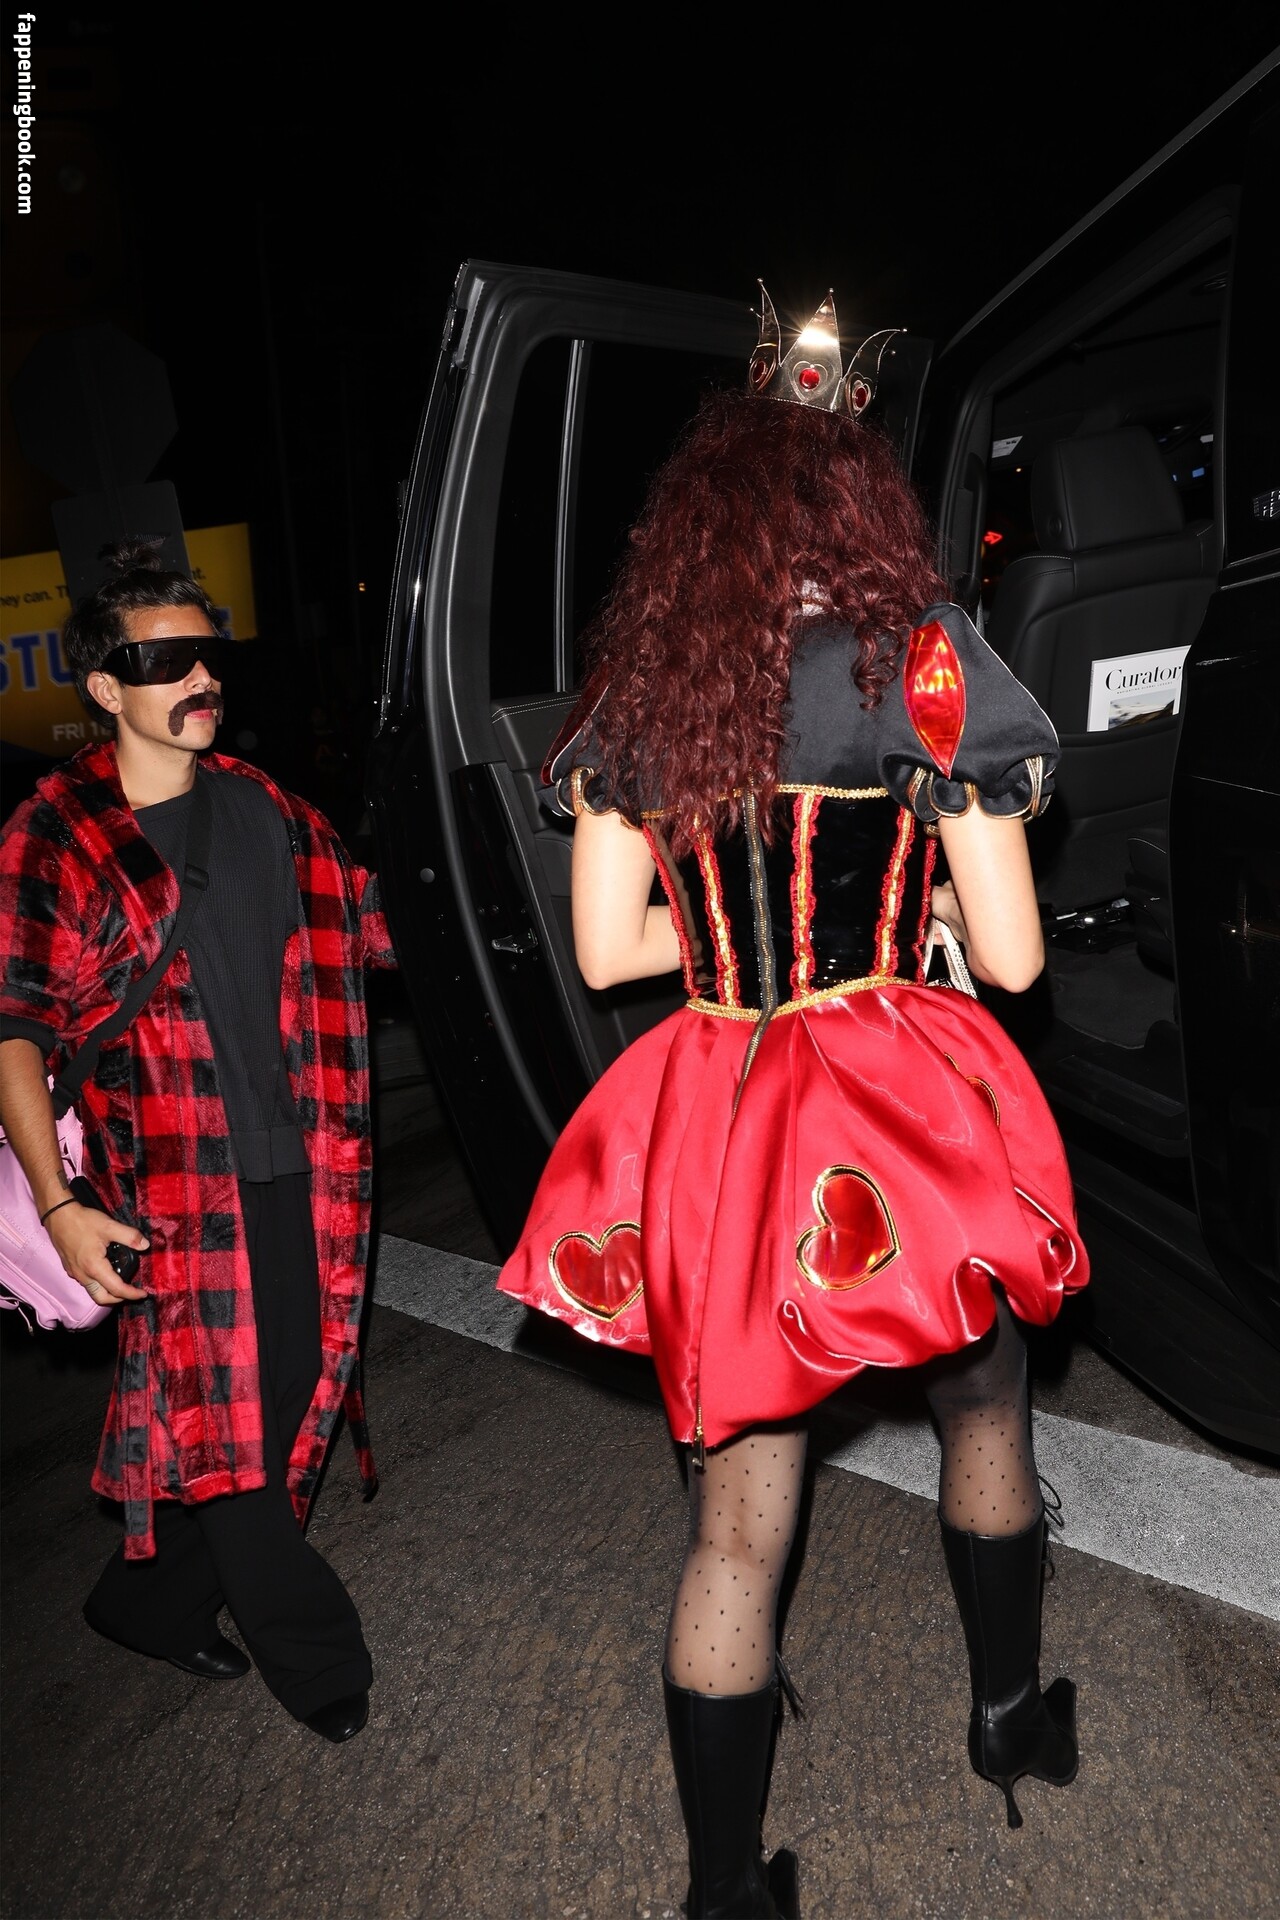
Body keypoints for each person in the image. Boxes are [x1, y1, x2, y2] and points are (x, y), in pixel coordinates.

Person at [496, 289, 1090, 1918]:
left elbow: (611, 949)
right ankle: (1007, 1720)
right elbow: (1016, 960)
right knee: (986, 1406)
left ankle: (721, 1894)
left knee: (738, 1518)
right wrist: (913, 916)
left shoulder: (647, 680)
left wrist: (745, 944)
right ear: (860, 503)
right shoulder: (923, 663)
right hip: (900, 1115)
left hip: (726, 1114)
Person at [0, 538, 396, 1744]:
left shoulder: (267, 807)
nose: (198, 678)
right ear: (102, 686)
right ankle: (315, 1657)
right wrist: (61, 1203)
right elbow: (13, 1030)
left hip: (307, 1161)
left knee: (289, 1392)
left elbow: (371, 926)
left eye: (207, 655)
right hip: (163, 1184)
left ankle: (148, 1601)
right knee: (227, 1424)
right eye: (162, 660)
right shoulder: (56, 836)